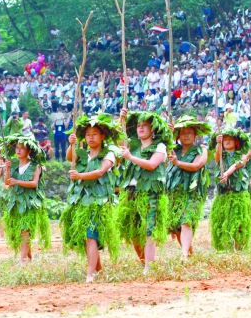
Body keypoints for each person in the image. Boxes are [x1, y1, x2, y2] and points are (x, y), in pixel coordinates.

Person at [61, 114, 122, 282]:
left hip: (99, 201)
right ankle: (98, 269)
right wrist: (71, 144)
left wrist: (80, 175)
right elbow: (69, 157)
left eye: (95, 134)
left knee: (91, 235)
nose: (91, 137)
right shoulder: (83, 153)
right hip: (82, 199)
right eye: (88, 134)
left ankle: (90, 274)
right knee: (86, 236)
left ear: (102, 136)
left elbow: (100, 172)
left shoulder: (108, 154)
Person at [117, 109, 172, 273]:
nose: (140, 128)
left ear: (152, 129)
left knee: (149, 229)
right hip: (131, 191)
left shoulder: (160, 146)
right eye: (138, 126)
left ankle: (149, 266)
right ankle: (144, 261)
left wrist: (131, 158)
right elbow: (120, 142)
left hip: (150, 192)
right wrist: (121, 120)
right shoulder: (132, 145)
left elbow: (152, 165)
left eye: (144, 126)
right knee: (133, 230)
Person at [166, 116, 211, 260]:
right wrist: (168, 134)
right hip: (175, 193)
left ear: (195, 135)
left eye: (189, 132)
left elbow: (197, 165)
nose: (186, 135)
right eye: (183, 132)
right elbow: (162, 147)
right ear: (178, 135)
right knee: (176, 226)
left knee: (186, 220)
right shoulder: (174, 150)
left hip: (193, 192)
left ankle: (184, 255)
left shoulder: (201, 150)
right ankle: (188, 253)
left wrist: (178, 163)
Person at [3, 134, 51, 265]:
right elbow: (7, 182)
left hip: (30, 202)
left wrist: (17, 181)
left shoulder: (36, 166)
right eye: (17, 148)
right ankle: (29, 257)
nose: (18, 150)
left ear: (29, 151)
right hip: (16, 202)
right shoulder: (13, 165)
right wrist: (6, 169)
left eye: (22, 148)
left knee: (25, 230)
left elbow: (34, 183)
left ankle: (22, 260)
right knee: (20, 232)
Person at [209, 128, 251, 251]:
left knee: (237, 220)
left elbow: (236, 164)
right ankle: (226, 245)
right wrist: (218, 143)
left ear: (236, 142)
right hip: (224, 194)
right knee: (223, 220)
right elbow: (217, 156)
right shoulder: (221, 157)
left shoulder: (242, 155)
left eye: (230, 139)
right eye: (225, 140)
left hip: (238, 194)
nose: (227, 141)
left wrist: (227, 174)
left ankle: (237, 246)